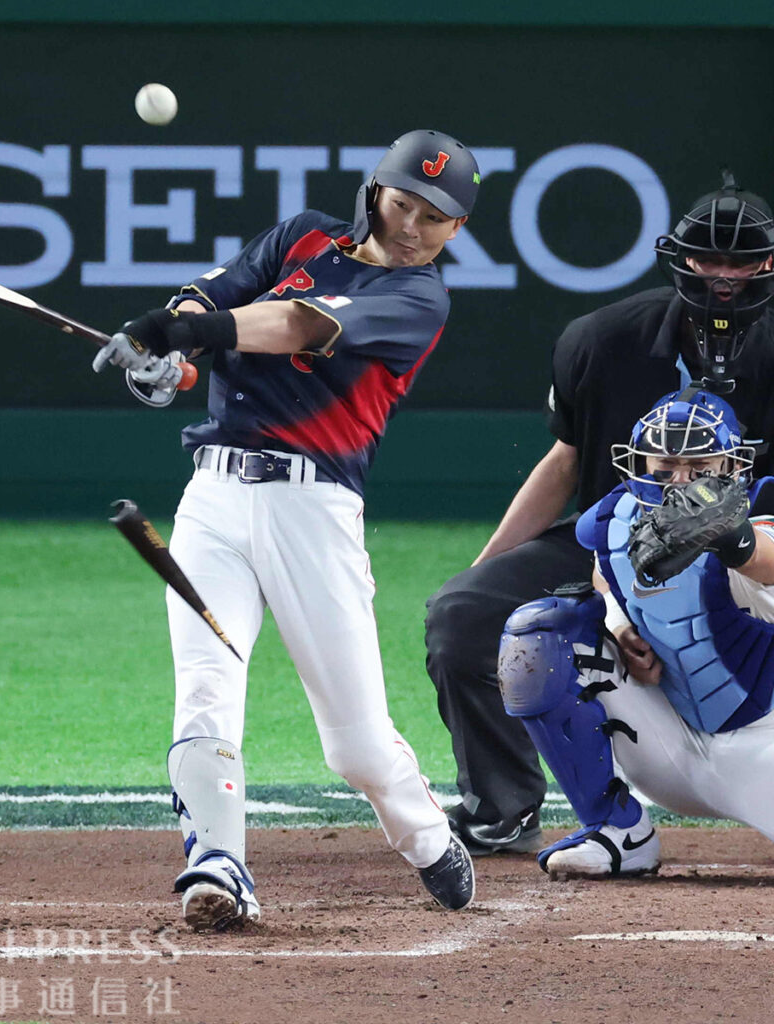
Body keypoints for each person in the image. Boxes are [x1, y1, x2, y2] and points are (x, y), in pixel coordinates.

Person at [94, 130, 481, 929]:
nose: (412, 226)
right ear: (375, 193)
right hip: (212, 499)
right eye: (402, 203)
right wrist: (170, 354)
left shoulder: (419, 300)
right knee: (206, 688)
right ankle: (217, 863)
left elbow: (296, 326)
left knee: (356, 747)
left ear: (457, 228)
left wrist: (184, 334)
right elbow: (214, 297)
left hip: (314, 513)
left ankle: (425, 833)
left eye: (434, 216)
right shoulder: (302, 236)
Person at [423, 173, 774, 856]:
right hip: (619, 543)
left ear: (767, 265)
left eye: (742, 262)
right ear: (681, 258)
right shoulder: (604, 340)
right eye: (710, 259)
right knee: (463, 614)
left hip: (749, 554)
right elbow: (565, 462)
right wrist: (486, 570)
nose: (724, 278)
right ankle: (505, 808)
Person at [497, 388, 774, 878]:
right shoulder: (615, 520)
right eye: (666, 465)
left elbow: (766, 558)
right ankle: (619, 831)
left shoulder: (758, 512)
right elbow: (606, 571)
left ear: (733, 466)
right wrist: (620, 625)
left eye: (699, 466)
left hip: (763, 749)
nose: (680, 480)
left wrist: (730, 537)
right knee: (538, 633)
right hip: (671, 748)